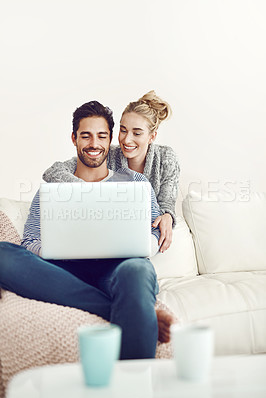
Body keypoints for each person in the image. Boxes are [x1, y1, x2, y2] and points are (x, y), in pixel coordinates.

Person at [0, 100, 174, 360]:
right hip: (62, 271)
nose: (94, 144)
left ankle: (134, 388)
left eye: (101, 136)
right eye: (86, 136)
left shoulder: (136, 183)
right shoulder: (51, 188)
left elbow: (154, 231)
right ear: (74, 139)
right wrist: (55, 250)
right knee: (3, 253)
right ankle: (131, 312)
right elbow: (30, 240)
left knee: (137, 269)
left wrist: (151, 236)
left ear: (110, 139)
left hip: (117, 270)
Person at [43, 91, 180, 253]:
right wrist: (88, 192)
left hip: (145, 233)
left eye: (137, 133)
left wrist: (167, 216)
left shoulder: (166, 157)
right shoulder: (109, 155)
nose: (127, 140)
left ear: (152, 136)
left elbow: (167, 203)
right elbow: (53, 171)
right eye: (123, 130)